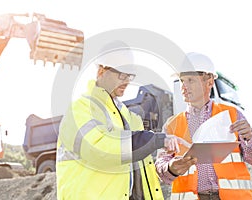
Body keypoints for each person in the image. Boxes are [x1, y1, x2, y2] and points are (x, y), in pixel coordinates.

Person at [56, 40, 180, 200]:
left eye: (130, 75)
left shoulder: (129, 117)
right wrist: (153, 140)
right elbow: (100, 149)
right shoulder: (80, 109)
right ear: (101, 71)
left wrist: (171, 170)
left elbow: (141, 169)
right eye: (122, 74)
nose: (127, 80)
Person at [155, 52, 252, 200]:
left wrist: (250, 137)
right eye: (182, 81)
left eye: (190, 80)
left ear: (210, 82)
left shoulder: (232, 115)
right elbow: (161, 166)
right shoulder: (171, 125)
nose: (184, 87)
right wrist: (171, 168)